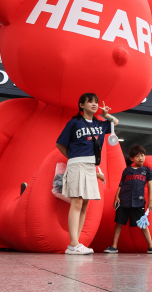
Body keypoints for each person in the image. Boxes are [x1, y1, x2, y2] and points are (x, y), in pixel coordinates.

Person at [56, 93, 116, 255]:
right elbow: (60, 143)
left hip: (91, 166)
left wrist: (106, 115)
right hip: (77, 164)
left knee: (84, 204)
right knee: (77, 202)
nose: (94, 104)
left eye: (96, 102)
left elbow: (115, 123)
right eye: (90, 102)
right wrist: (73, 157)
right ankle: (73, 244)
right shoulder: (74, 122)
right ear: (81, 105)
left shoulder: (100, 123)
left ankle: (77, 242)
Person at [104, 146, 152, 254]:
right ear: (132, 158)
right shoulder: (127, 170)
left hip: (138, 201)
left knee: (143, 223)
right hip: (123, 200)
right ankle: (114, 246)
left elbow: (150, 186)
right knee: (119, 223)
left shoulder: (147, 170)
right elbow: (121, 184)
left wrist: (151, 201)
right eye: (137, 156)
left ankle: (151, 246)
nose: (141, 158)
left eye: (142, 155)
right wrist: (116, 196)